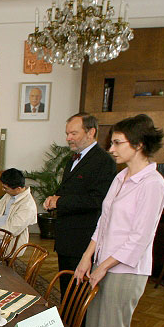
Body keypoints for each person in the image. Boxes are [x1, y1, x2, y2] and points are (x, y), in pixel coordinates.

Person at [74, 114, 164, 327]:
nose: (111, 149)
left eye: (117, 143)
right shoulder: (121, 176)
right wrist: (87, 257)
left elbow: (139, 237)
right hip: (104, 264)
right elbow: (104, 222)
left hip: (126, 270)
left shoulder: (152, 184)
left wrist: (103, 266)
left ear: (138, 145)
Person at [44, 113, 116, 296]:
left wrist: (61, 201)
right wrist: (54, 198)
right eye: (67, 133)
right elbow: (69, 190)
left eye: (74, 133)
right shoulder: (73, 159)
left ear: (91, 132)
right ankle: (68, 322)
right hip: (66, 238)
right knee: (67, 292)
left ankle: (75, 325)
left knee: (78, 294)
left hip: (82, 239)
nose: (68, 138)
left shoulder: (103, 161)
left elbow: (98, 200)